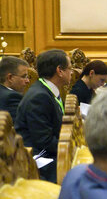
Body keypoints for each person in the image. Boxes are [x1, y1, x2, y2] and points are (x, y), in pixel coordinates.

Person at [14, 49, 71, 182]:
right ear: (60, 71)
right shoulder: (39, 96)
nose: (72, 72)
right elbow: (44, 141)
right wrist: (71, 148)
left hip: (49, 152)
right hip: (38, 160)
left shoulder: (47, 91)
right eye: (70, 68)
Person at [0, 56, 30, 121]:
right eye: (24, 76)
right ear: (10, 77)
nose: (28, 81)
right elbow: (20, 128)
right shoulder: (12, 97)